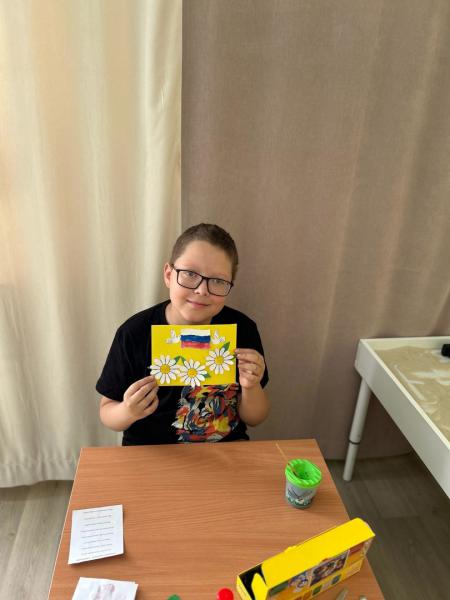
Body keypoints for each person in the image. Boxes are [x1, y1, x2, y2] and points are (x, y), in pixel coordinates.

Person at [96, 223, 269, 445]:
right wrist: (128, 411)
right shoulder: (134, 333)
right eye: (189, 274)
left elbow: (255, 418)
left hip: (225, 448)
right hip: (151, 450)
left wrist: (251, 386)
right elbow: (107, 413)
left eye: (218, 281)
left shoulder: (243, 329)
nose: (201, 290)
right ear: (169, 275)